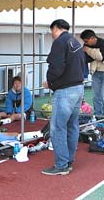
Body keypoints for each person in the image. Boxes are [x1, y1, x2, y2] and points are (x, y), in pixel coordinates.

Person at [42, 19, 85, 175]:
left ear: (56, 29)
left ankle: (61, 165)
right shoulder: (75, 42)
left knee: (58, 128)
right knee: (72, 125)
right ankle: (69, 161)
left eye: (52, 31)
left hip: (65, 90)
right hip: (79, 87)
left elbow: (56, 66)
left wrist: (50, 82)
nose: (52, 34)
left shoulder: (60, 42)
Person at [80, 29, 104, 116]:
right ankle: (98, 115)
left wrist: (88, 50)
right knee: (96, 97)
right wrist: (95, 53)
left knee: (103, 96)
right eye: (84, 42)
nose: (85, 43)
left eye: (86, 41)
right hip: (95, 72)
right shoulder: (86, 45)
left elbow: (101, 57)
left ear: (92, 38)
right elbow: (87, 59)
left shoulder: (103, 43)